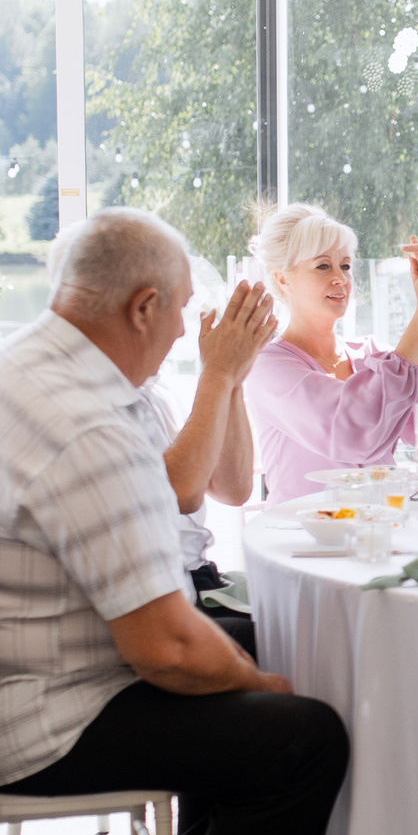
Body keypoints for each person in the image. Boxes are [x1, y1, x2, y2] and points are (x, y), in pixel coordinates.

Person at [0, 207, 348, 835]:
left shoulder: (45, 367)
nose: (192, 327)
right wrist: (259, 685)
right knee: (302, 735)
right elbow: (162, 648)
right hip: (48, 711)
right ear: (142, 306)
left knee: (275, 662)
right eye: (184, 308)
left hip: (13, 670)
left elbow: (201, 499)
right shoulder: (81, 423)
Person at [242, 202, 418, 492]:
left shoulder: (370, 354)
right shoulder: (269, 368)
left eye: (345, 265)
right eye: (323, 266)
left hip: (381, 525)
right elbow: (354, 430)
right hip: (304, 532)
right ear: (283, 278)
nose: (340, 278)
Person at [155, 278, 272, 657]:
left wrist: (233, 378)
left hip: (200, 577)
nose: (183, 329)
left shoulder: (154, 391)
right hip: (171, 594)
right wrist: (217, 374)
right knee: (297, 633)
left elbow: (233, 489)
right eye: (178, 308)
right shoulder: (107, 398)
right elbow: (182, 493)